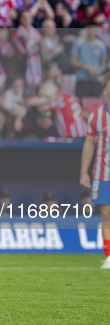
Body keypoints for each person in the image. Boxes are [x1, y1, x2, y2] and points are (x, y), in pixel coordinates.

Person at [80, 72, 110, 269]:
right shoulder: (97, 114)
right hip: (103, 171)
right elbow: (89, 143)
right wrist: (84, 171)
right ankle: (109, 255)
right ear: (105, 90)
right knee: (106, 213)